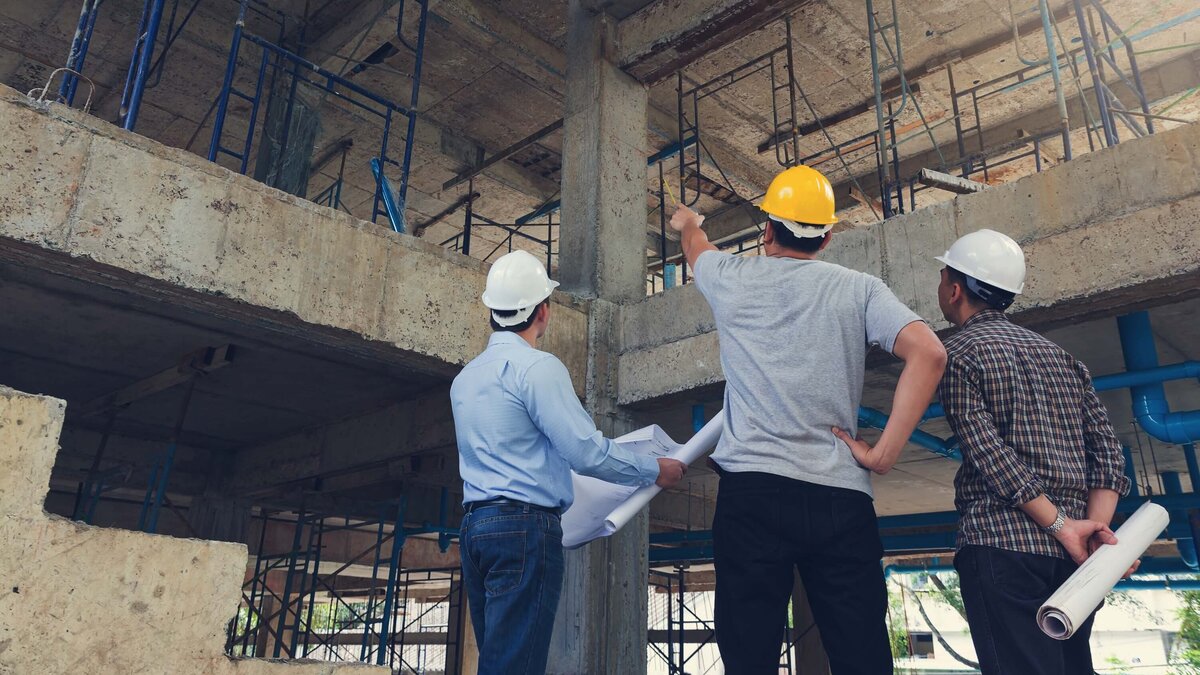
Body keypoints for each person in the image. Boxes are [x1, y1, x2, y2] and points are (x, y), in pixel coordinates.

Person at [670, 165, 947, 674]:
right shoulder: (860, 289)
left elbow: (696, 248)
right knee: (861, 653)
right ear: (828, 235)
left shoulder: (732, 278)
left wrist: (689, 221)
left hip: (751, 496)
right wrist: (883, 455)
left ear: (767, 230)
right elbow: (928, 353)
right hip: (840, 496)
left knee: (749, 655)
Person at [450, 250, 687, 675]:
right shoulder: (538, 369)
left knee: (499, 659)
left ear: (491, 310)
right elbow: (585, 452)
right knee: (515, 666)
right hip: (524, 528)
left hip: (475, 528)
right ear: (543, 310)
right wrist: (655, 470)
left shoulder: (464, 379)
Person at [933, 229, 1132, 674]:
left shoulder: (957, 354)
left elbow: (990, 454)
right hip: (1075, 562)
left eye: (942, 274)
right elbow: (1107, 453)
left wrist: (1063, 526)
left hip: (1003, 546)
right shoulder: (1063, 358)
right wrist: (1095, 533)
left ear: (955, 289)